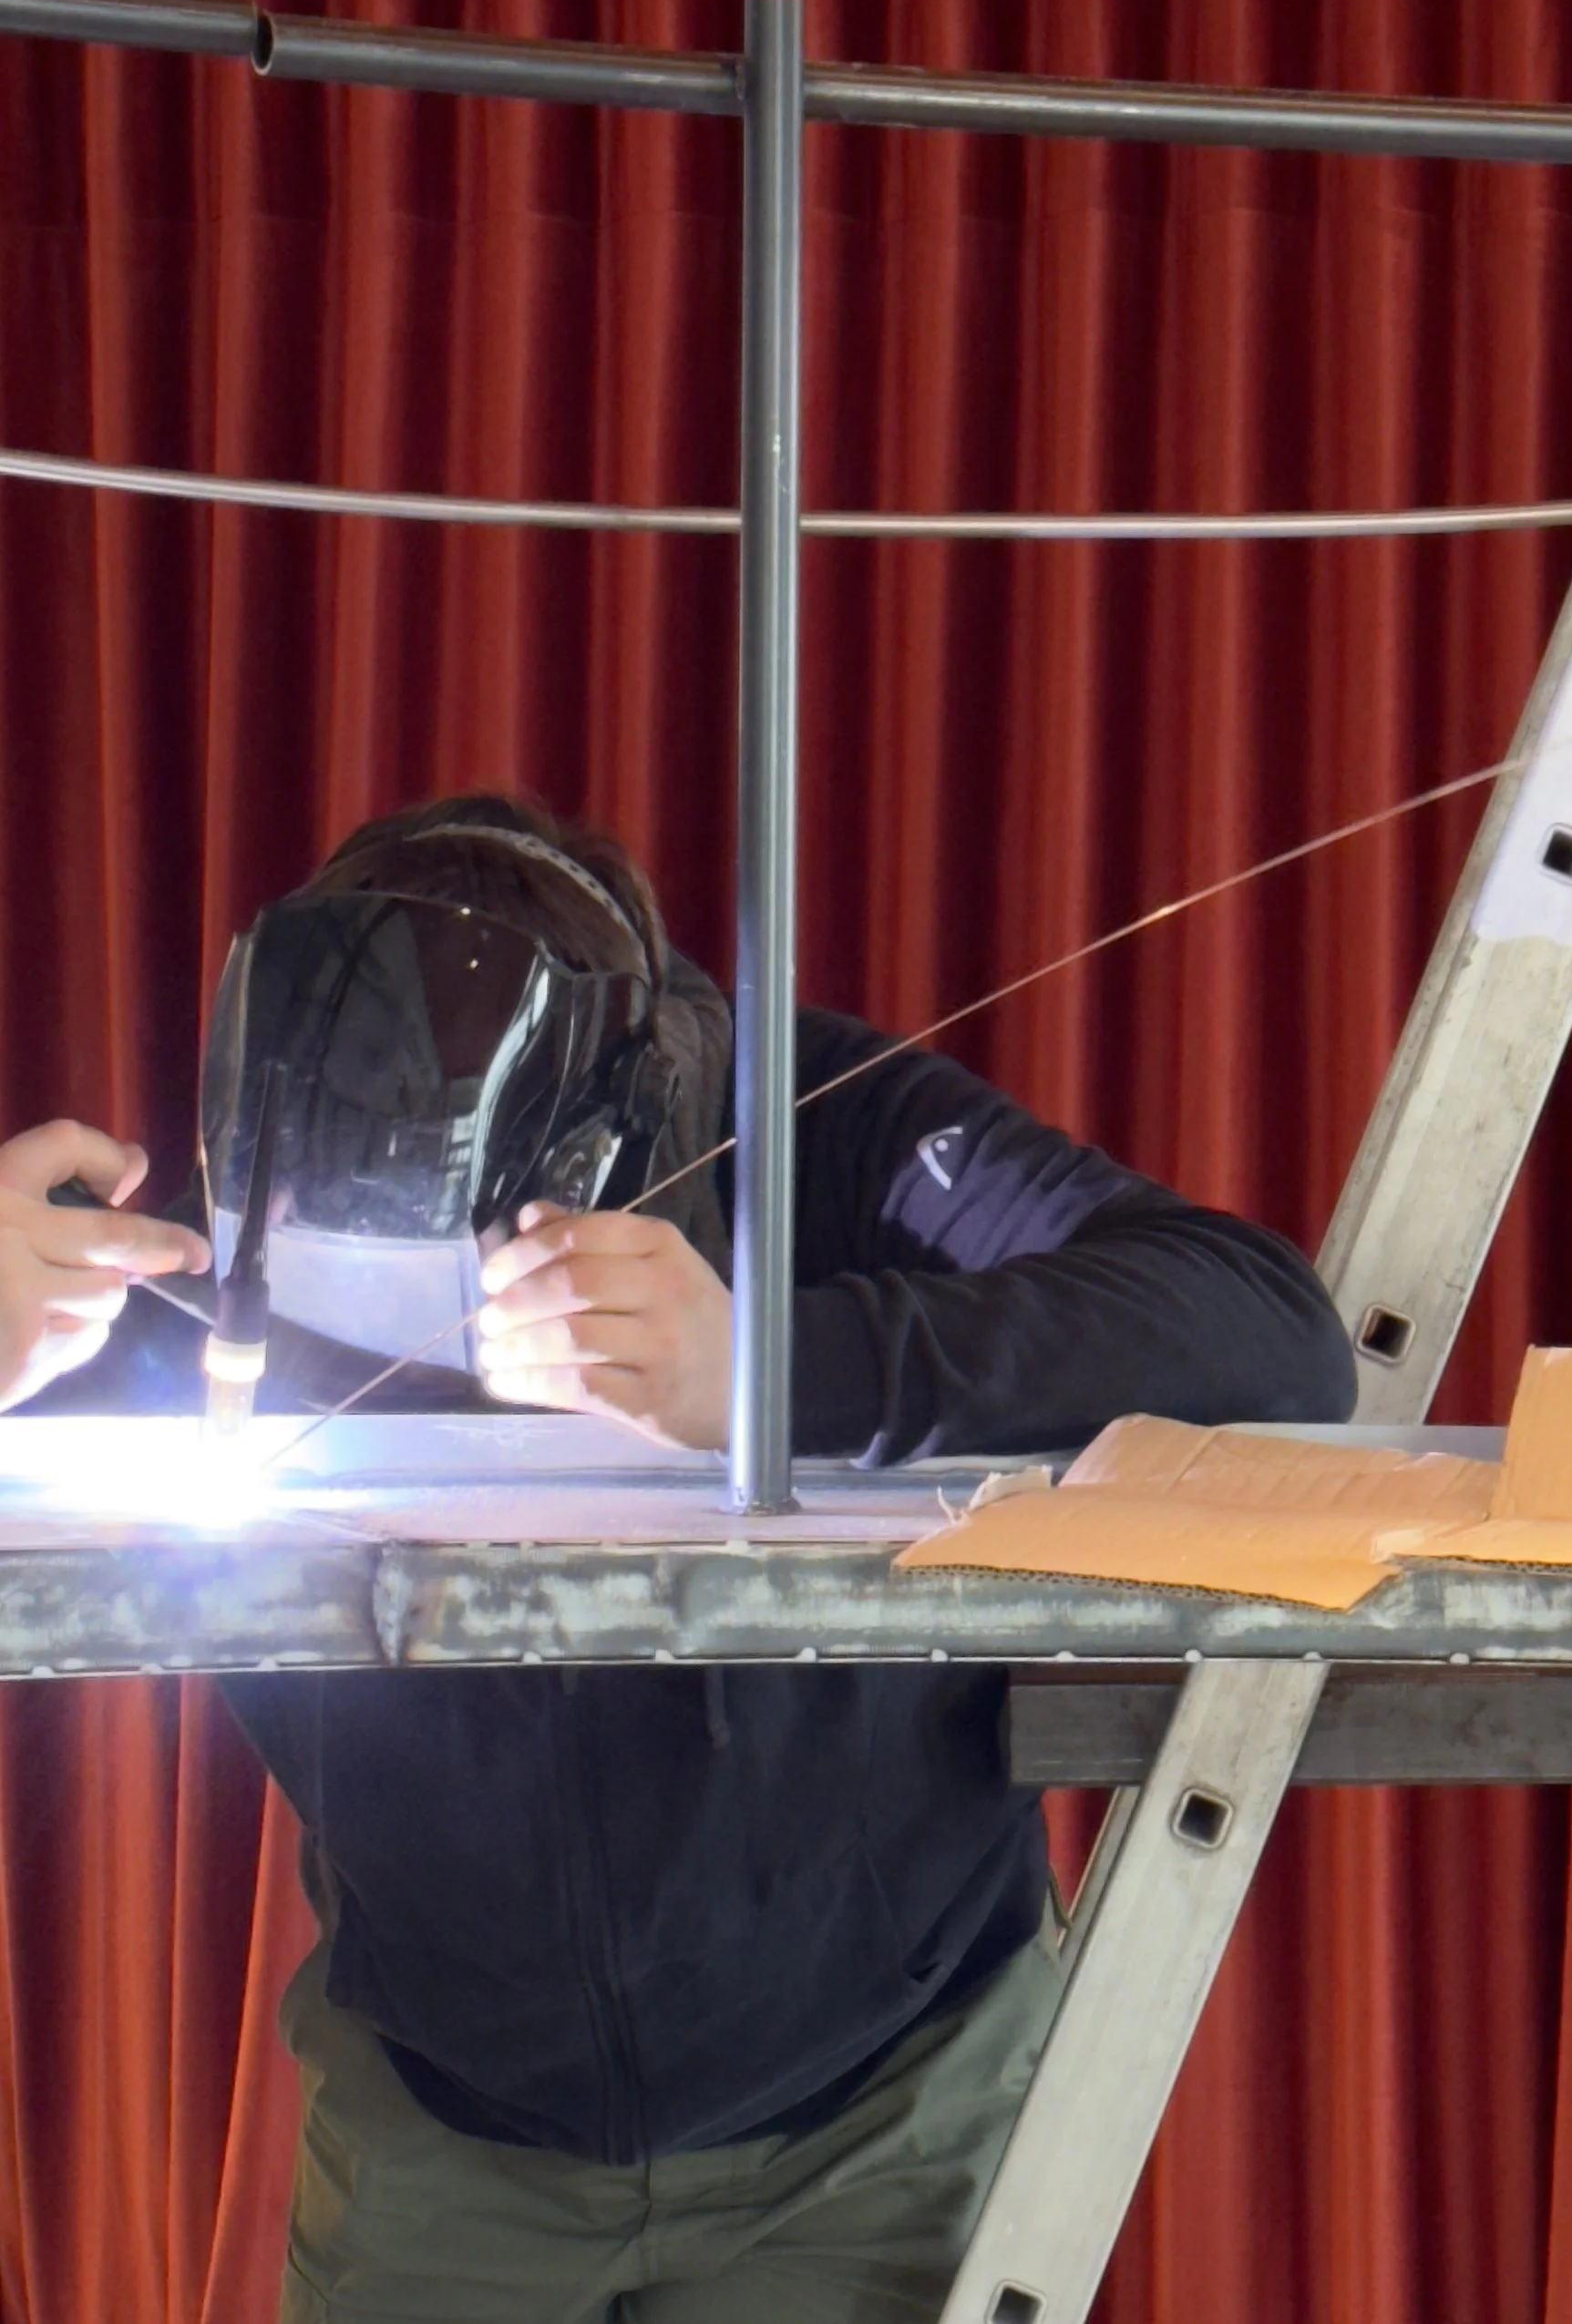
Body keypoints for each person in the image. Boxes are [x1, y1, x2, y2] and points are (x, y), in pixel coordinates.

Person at [0, 794, 1354, 2324]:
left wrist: (766, 1369)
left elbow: (1267, 1329)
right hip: (441, 2124)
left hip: (873, 2114)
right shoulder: (245, 1213)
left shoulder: (817, 1116)